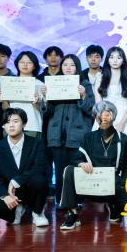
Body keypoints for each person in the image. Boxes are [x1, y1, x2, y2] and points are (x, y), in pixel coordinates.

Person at [59, 101, 127, 229]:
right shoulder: (88, 137)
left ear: (113, 116)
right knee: (69, 170)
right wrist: (81, 163)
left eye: (107, 114)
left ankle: (113, 205)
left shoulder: (124, 139)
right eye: (100, 115)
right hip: (90, 182)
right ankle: (72, 213)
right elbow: (76, 157)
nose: (104, 118)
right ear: (95, 117)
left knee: (126, 203)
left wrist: (124, 190)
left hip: (113, 185)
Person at [0, 108, 50, 226]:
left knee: (39, 180)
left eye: (15, 121)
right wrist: (5, 195)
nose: (11, 125)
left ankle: (37, 212)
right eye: (7, 122)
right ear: (4, 126)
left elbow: (40, 167)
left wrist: (16, 181)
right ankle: (17, 208)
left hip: (30, 188)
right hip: (10, 192)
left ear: (24, 124)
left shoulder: (36, 143)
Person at [45, 54, 95, 204]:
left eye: (72, 65)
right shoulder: (54, 83)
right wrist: (46, 97)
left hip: (77, 134)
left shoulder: (85, 84)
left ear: (77, 67)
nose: (68, 68)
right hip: (56, 134)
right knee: (60, 170)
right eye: (65, 64)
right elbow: (47, 112)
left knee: (76, 169)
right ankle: (61, 201)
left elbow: (91, 110)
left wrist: (83, 95)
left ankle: (77, 201)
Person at [0, 51, 46, 138]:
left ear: (34, 66)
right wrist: (3, 99)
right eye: (22, 62)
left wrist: (36, 103)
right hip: (11, 125)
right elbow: (6, 108)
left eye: (29, 62)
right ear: (17, 64)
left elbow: (43, 111)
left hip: (32, 126)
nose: (25, 65)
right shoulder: (9, 83)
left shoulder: (40, 85)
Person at [95, 46, 127, 142]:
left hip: (125, 117)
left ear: (123, 60)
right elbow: (98, 103)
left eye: (119, 57)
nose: (115, 60)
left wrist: (122, 123)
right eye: (111, 57)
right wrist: (104, 121)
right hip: (104, 116)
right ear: (107, 60)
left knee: (125, 147)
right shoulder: (100, 77)